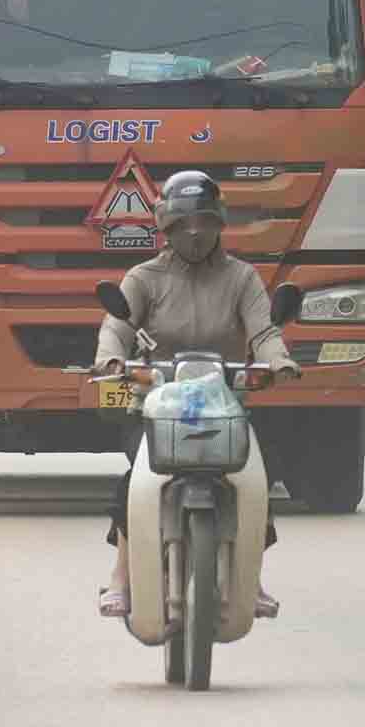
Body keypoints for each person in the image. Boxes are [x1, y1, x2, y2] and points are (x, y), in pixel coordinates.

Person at [96, 171, 299, 619]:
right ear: (166, 226)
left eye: (205, 221)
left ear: (219, 224)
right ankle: (121, 578)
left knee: (255, 481)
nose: (195, 232)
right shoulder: (143, 278)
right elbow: (117, 326)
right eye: (184, 223)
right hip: (156, 405)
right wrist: (111, 359)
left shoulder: (242, 278)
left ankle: (251, 578)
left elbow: (263, 330)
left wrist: (279, 361)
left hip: (224, 407)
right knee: (136, 481)